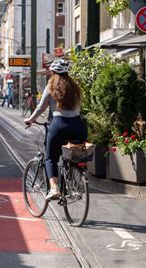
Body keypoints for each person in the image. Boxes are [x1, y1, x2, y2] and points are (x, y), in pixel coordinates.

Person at [24, 59, 87, 201]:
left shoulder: (51, 87)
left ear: (53, 73)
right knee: (72, 154)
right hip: (78, 126)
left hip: (59, 125)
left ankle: (54, 188)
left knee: (51, 158)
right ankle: (74, 175)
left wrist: (30, 120)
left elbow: (41, 108)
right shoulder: (75, 88)